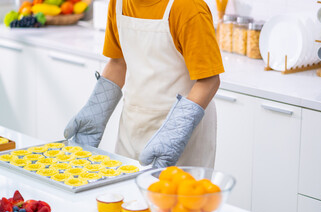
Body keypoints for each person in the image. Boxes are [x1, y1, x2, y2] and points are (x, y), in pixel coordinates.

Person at [64, 0, 224, 169]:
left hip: (183, 137)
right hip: (132, 127)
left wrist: (175, 133)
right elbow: (118, 63)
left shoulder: (187, 7)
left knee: (174, 194)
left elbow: (209, 80)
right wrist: (96, 111)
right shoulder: (119, 3)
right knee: (127, 193)